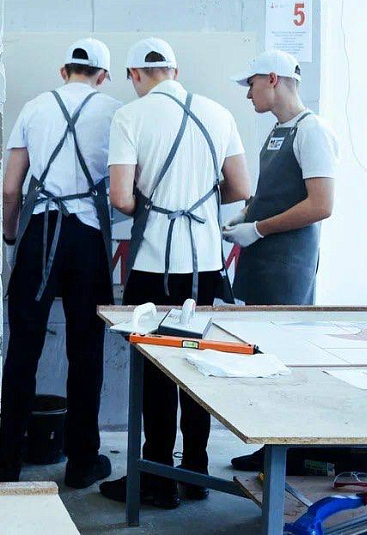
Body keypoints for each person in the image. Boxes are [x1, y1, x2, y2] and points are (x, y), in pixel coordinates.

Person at [99, 37, 251, 509]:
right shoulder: (219, 113)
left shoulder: (130, 116)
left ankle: (157, 476)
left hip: (152, 264)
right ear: (175, 71)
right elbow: (241, 187)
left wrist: (156, 205)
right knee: (198, 365)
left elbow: (121, 198)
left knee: (157, 371)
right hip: (205, 264)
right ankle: (196, 472)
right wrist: (198, 200)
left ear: (134, 75)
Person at [0, 39, 120, 488]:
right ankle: (82, 462)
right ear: (102, 76)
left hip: (40, 233)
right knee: (86, 351)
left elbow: (10, 188)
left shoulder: (34, 108)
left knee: (22, 350)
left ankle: (7, 463)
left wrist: (12, 237)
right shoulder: (116, 112)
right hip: (87, 238)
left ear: (63, 70)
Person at [224, 49, 338, 472]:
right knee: (262, 358)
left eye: (250, 84)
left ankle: (289, 454)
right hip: (263, 261)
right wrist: (246, 213)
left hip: (287, 264)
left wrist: (258, 228)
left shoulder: (312, 131)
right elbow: (278, 191)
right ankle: (268, 449)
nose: (247, 94)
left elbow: (321, 205)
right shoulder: (278, 131)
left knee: (282, 361)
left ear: (272, 78)